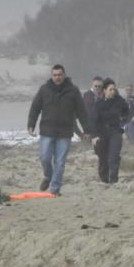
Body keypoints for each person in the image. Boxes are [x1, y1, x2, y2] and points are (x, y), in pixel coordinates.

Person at [27, 64, 90, 196]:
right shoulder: (44, 89)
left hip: (65, 132)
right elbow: (35, 107)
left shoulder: (73, 91)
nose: (57, 77)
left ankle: (54, 190)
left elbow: (81, 111)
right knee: (45, 158)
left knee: (60, 162)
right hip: (47, 130)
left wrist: (87, 129)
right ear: (51, 76)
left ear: (64, 75)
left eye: (59, 75)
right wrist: (31, 124)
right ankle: (48, 176)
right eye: (55, 75)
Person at [89, 79, 130, 183]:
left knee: (114, 156)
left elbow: (127, 113)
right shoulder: (98, 104)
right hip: (101, 133)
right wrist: (94, 136)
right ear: (104, 91)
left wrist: (123, 124)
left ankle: (114, 179)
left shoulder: (120, 102)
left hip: (115, 132)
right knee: (103, 159)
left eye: (114, 89)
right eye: (110, 89)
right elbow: (93, 121)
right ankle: (104, 179)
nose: (113, 91)